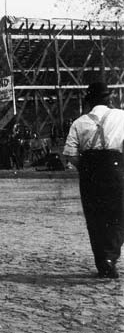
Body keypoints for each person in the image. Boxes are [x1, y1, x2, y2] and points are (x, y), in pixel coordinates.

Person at [63, 82, 124, 279]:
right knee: (118, 213)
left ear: (89, 102)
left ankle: (103, 261)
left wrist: (87, 169)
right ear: (109, 99)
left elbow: (70, 154)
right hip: (116, 169)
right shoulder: (121, 117)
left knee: (95, 217)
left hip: (90, 173)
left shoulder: (79, 123)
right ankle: (111, 256)